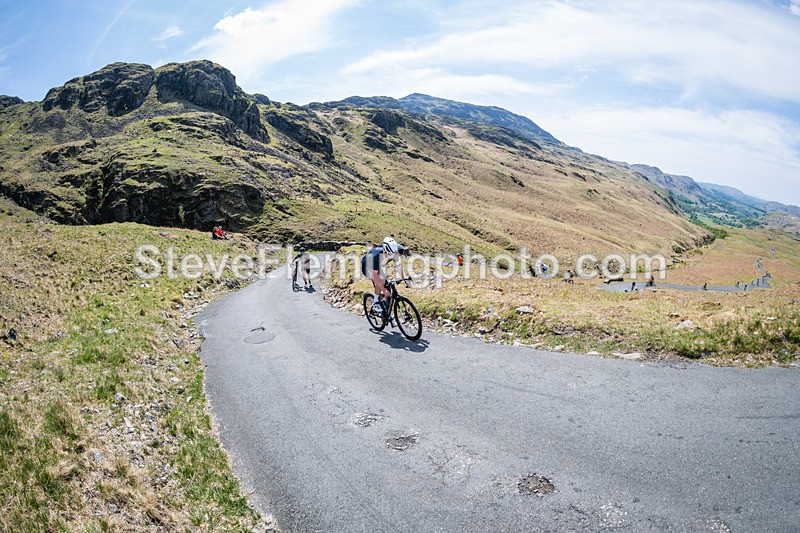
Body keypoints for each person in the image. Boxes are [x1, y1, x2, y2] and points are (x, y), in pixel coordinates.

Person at [361, 237, 408, 313]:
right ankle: (376, 302)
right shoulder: (376, 256)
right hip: (367, 267)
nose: (388, 256)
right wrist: (383, 290)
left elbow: (399, 265)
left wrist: (405, 279)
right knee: (381, 281)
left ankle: (386, 314)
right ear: (384, 250)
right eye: (387, 253)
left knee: (388, 287)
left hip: (378, 266)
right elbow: (375, 277)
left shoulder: (394, 250)